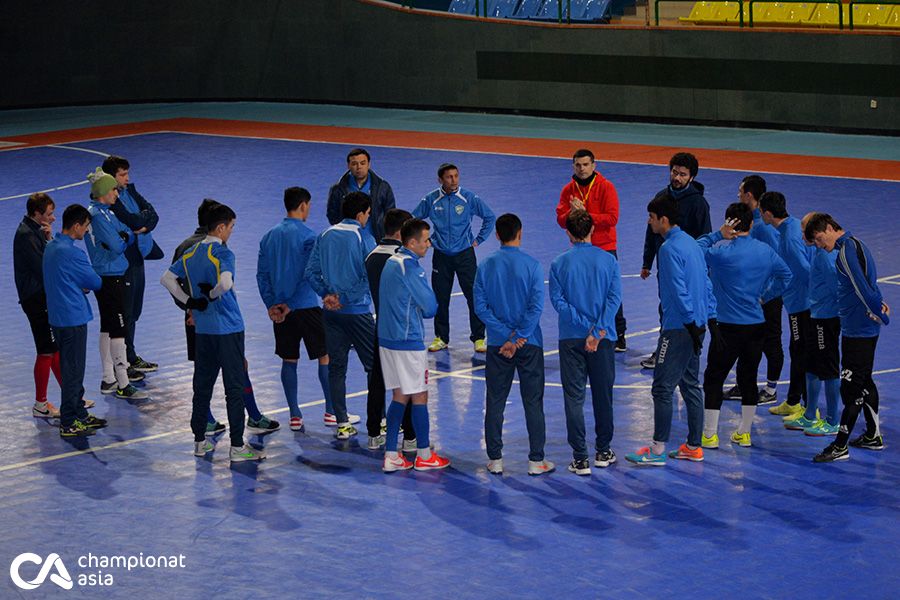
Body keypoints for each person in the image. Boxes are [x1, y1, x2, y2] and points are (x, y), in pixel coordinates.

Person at [161, 203, 265, 462]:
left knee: (202, 387)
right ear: (220, 227)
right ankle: (238, 447)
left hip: (204, 332)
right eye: (231, 227)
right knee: (234, 388)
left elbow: (166, 279)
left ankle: (199, 442)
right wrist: (212, 293)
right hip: (228, 330)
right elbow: (226, 283)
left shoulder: (191, 252)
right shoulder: (222, 252)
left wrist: (190, 301)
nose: (231, 232)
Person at [626, 194, 712, 466]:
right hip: (697, 325)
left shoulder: (668, 249)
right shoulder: (691, 244)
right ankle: (694, 447)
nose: (649, 222)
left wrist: (687, 323)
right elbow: (705, 285)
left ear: (663, 219)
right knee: (690, 384)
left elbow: (677, 290)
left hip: (678, 328)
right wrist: (704, 320)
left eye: (651, 218)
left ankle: (657, 449)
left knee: (662, 388)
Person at [697, 203, 791, 449]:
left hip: (726, 327)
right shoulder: (765, 251)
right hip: (755, 325)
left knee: (714, 377)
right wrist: (766, 295)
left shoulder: (720, 252)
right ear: (751, 223)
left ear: (731, 223)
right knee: (748, 378)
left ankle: (709, 434)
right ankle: (744, 433)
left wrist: (718, 234)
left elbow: (694, 250)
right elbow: (786, 276)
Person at [805, 215, 890, 462]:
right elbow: (870, 286)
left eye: (820, 239)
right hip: (860, 328)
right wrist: (877, 306)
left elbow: (862, 287)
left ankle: (840, 445)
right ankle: (873, 435)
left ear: (830, 228)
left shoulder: (844, 254)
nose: (820, 246)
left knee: (850, 386)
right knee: (864, 381)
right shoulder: (857, 245)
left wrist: (879, 314)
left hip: (858, 331)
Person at [474, 213, 553, 476]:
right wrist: (519, 336)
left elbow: (481, 307)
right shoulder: (532, 265)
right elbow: (535, 307)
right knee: (533, 402)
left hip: (498, 345)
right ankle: (536, 460)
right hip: (529, 344)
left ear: (497, 235)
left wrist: (505, 336)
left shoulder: (485, 265)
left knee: (495, 400)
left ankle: (495, 459)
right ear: (520, 233)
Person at [549, 210, 622, 476]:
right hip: (602, 340)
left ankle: (580, 458)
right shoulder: (608, 260)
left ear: (567, 233)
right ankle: (603, 451)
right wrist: (597, 330)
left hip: (570, 338)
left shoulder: (559, 263)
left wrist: (584, 327)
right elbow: (614, 300)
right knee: (603, 396)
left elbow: (559, 302)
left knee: (574, 398)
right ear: (592, 230)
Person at [257, 187, 333, 432]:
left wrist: (273, 305)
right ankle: (331, 411)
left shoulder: (268, 237)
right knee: (325, 356)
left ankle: (295, 415)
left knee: (289, 360)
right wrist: (291, 304)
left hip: (281, 311)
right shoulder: (310, 236)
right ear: (303, 205)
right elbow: (309, 276)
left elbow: (262, 275)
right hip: (306, 308)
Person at [378, 219, 450, 472]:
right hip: (407, 341)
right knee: (419, 394)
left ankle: (391, 456)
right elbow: (430, 308)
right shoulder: (412, 268)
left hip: (387, 340)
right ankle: (424, 454)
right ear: (411, 243)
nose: (429, 244)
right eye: (426, 240)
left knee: (400, 394)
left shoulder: (391, 262)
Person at [14, 193, 95, 418]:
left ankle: (72, 397)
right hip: (37, 300)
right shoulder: (25, 235)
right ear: (36, 214)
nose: (52, 217)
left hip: (42, 297)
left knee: (54, 349)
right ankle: (41, 404)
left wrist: (49, 240)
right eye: (49, 214)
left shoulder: (36, 231)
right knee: (46, 350)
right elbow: (45, 269)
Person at [305, 191, 377, 440]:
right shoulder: (363, 237)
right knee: (373, 368)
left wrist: (327, 296)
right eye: (368, 214)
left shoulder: (324, 235)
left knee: (337, 367)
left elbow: (311, 272)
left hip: (331, 314)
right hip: (356, 313)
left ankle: (343, 423)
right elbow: (369, 276)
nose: (368, 218)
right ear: (360, 214)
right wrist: (344, 299)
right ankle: (379, 422)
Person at [413, 163, 496, 353]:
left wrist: (478, 240)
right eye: (449, 177)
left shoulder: (468, 198)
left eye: (456, 176)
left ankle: (479, 338)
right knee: (440, 297)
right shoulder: (431, 199)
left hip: (465, 255)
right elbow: (413, 218)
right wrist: (428, 240)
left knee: (473, 296)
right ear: (440, 180)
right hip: (441, 255)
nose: (454, 180)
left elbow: (489, 217)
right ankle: (441, 337)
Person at [640, 153, 711, 369]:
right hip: (666, 265)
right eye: (674, 172)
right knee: (667, 308)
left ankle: (686, 350)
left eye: (682, 174)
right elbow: (650, 232)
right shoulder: (661, 197)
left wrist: (702, 267)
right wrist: (647, 262)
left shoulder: (699, 203)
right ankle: (666, 347)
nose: (677, 177)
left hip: (688, 268)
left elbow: (705, 237)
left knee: (686, 306)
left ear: (691, 177)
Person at [83, 168, 148, 400]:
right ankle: (122, 382)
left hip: (109, 274)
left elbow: (125, 234)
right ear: (102, 192)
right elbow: (119, 243)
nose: (117, 194)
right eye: (113, 189)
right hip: (110, 276)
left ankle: (108, 378)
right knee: (118, 329)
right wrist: (125, 237)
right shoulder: (100, 217)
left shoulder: (104, 212)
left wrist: (124, 237)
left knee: (109, 327)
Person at [42, 204, 107, 437]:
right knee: (73, 372)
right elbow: (95, 282)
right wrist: (84, 285)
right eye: (86, 226)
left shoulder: (51, 247)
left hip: (59, 317)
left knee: (72, 368)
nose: (87, 231)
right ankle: (69, 422)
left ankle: (79, 413)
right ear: (77, 226)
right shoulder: (73, 252)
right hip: (73, 318)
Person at [555, 149, 627, 352]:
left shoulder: (606, 187)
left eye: (586, 164)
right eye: (578, 165)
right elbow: (560, 219)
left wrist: (585, 214)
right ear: (573, 166)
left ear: (594, 165)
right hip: (579, 247)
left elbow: (612, 218)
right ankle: (584, 329)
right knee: (580, 291)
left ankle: (618, 333)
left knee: (611, 293)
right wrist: (572, 212)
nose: (582, 168)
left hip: (604, 248)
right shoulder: (568, 190)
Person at [102, 155, 162, 375]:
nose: (127, 178)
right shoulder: (111, 201)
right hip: (123, 262)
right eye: (123, 174)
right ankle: (124, 362)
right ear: (111, 177)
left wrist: (143, 226)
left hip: (138, 257)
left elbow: (153, 215)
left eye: (127, 173)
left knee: (135, 310)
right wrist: (140, 222)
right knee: (126, 312)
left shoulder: (130, 191)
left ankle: (130, 355)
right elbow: (136, 220)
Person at [726, 175, 783, 405]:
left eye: (740, 192)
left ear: (749, 195)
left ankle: (770, 390)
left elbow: (776, 265)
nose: (738, 195)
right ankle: (744, 384)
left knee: (770, 341)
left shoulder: (763, 228)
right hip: (753, 295)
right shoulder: (753, 222)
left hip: (766, 297)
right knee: (748, 339)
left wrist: (764, 294)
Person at [784, 212, 841, 436]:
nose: (803, 235)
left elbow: (837, 290)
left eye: (807, 231)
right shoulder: (819, 252)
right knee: (812, 365)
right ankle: (810, 414)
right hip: (816, 314)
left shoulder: (826, 257)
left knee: (828, 368)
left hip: (826, 318)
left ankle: (833, 420)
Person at [760, 192, 815, 420]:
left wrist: (767, 295)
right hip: (798, 303)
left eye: (761, 212)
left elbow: (799, 274)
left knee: (802, 353)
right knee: (797, 350)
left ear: (769, 214)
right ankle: (793, 401)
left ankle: (809, 407)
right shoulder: (790, 228)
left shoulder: (789, 239)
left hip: (801, 306)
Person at [365, 208, 417, 451]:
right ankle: (410, 437)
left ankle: (374, 432)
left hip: (380, 327)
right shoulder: (403, 259)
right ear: (401, 230)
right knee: (408, 384)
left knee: (377, 380)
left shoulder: (371, 256)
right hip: (403, 330)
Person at [326, 147, 396, 242]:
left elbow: (390, 213)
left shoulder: (382, 187)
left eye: (363, 163)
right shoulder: (338, 189)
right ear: (348, 166)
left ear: (369, 164)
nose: (359, 167)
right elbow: (332, 215)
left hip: (376, 239)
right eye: (354, 164)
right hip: (348, 240)